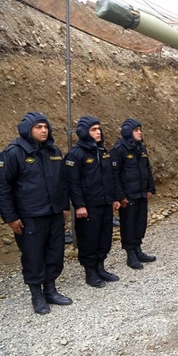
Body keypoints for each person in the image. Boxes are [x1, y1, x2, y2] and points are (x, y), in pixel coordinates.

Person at [0, 112, 72, 314]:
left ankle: (50, 289)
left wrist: (64, 205)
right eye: (38, 127)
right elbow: (3, 187)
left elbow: (62, 181)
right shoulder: (14, 153)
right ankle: (37, 295)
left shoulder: (53, 151)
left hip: (54, 213)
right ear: (27, 129)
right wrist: (11, 218)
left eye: (46, 127)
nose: (43, 130)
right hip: (30, 216)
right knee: (33, 257)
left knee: (54, 253)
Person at [65, 116, 121, 288]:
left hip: (105, 203)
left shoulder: (103, 151)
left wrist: (115, 198)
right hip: (88, 207)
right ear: (84, 132)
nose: (98, 132)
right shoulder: (76, 154)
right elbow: (72, 183)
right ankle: (90, 272)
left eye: (99, 129)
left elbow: (112, 177)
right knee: (88, 239)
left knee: (104, 237)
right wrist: (79, 205)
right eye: (93, 129)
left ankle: (100, 267)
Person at [110, 118, 157, 269]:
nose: (139, 132)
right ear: (128, 132)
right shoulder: (118, 150)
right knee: (128, 225)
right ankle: (130, 254)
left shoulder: (140, 148)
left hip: (141, 193)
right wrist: (120, 196)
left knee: (140, 223)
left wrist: (150, 188)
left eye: (140, 129)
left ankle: (138, 249)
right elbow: (114, 175)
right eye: (136, 130)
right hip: (128, 196)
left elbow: (147, 168)